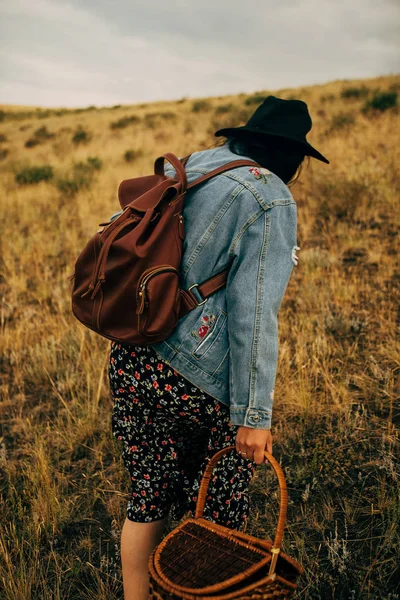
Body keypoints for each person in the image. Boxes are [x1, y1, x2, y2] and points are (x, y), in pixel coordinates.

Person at [107, 96, 329, 599]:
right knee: (217, 518)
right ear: (292, 158)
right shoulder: (270, 196)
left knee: (147, 499)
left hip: (135, 355)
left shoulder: (191, 166)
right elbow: (253, 315)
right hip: (199, 381)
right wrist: (254, 415)